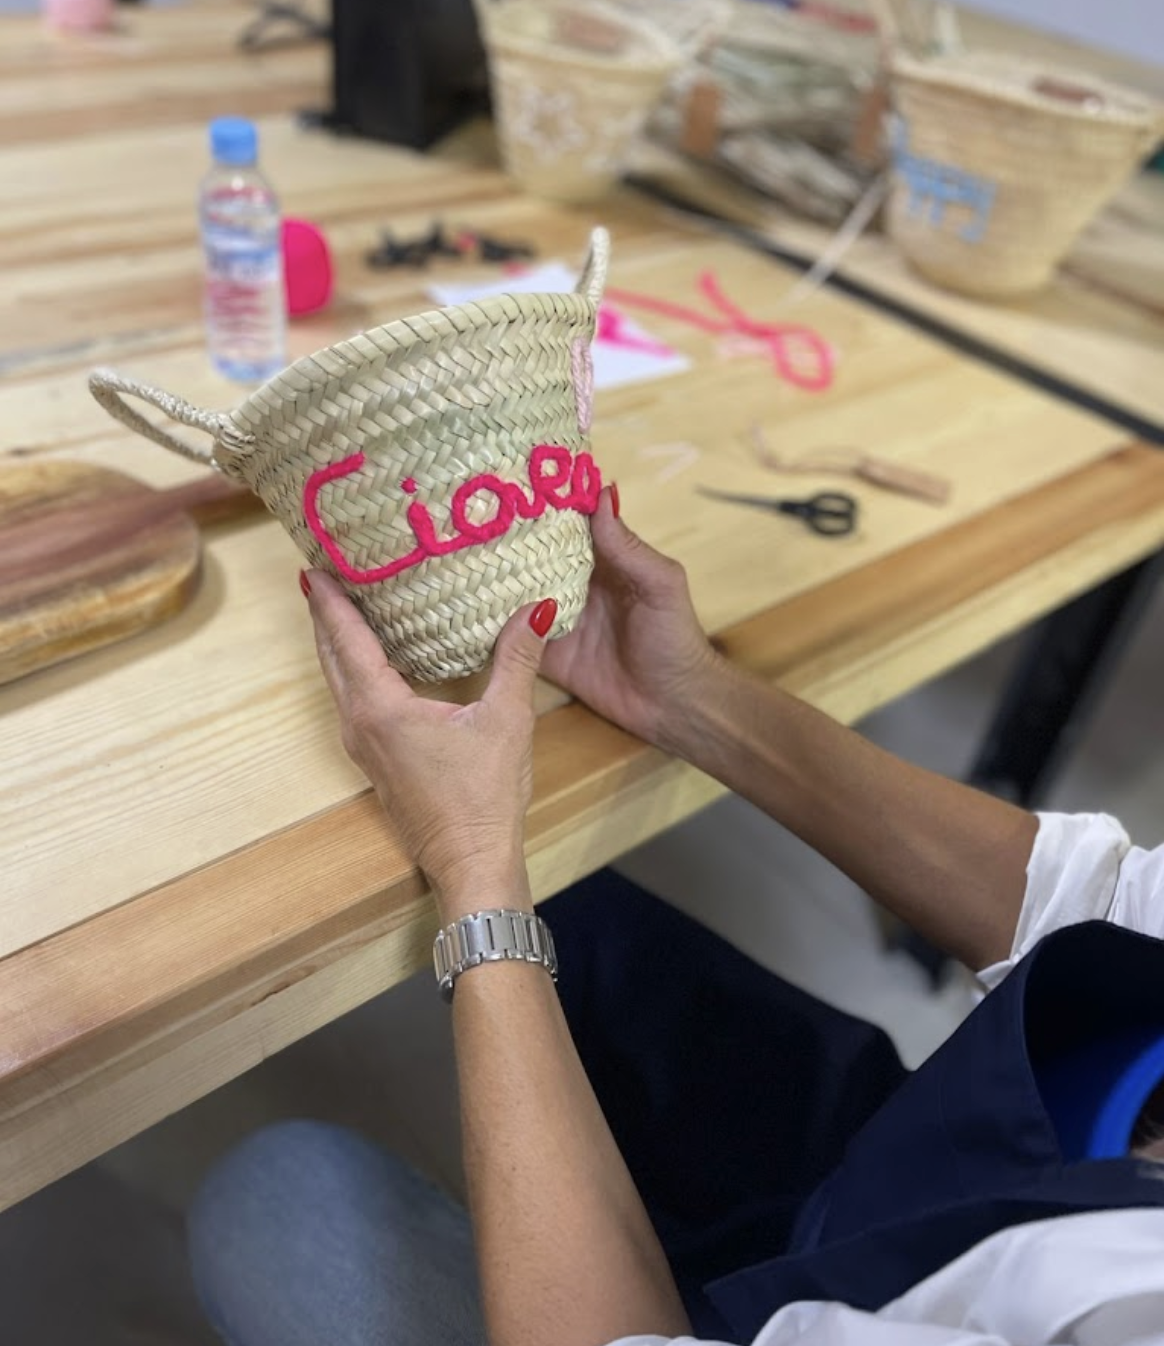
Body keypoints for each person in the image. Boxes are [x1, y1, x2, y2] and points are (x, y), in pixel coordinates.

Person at [188, 486, 1164, 1346]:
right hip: (949, 1178)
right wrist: (688, 694)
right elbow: (1103, 905)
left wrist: (477, 864)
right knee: (584, 916)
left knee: (278, 1199)